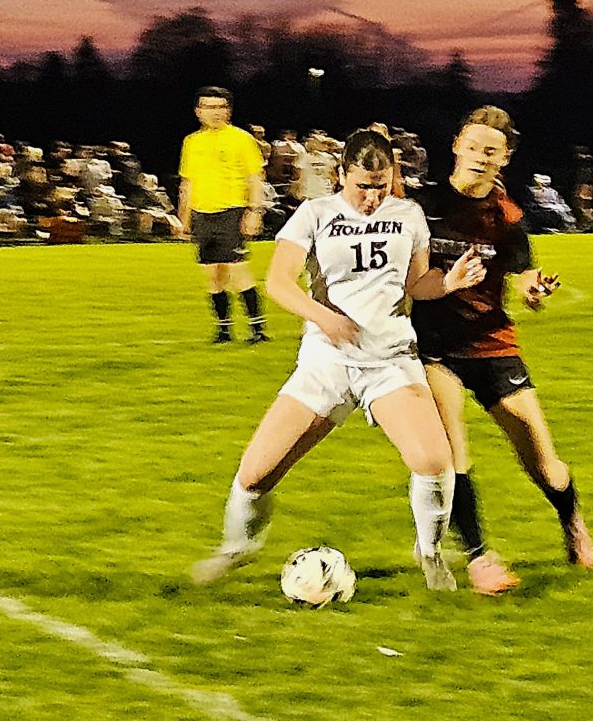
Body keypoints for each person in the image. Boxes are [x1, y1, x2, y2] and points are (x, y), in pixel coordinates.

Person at [191, 129, 487, 591]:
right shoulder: (315, 214)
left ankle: (429, 553)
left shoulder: (408, 215)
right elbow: (279, 282)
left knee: (433, 462)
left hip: (389, 361)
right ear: (341, 175)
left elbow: (417, 285)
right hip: (326, 362)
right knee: (254, 474)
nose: (371, 197)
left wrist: (450, 282)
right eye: (362, 186)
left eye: (381, 185)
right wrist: (322, 318)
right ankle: (236, 548)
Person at [411, 106, 593, 596]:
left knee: (542, 458)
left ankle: (572, 519)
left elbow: (524, 276)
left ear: (504, 159)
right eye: (472, 146)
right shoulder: (422, 204)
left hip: (492, 342)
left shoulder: (507, 216)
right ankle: (479, 556)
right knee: (453, 450)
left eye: (490, 151)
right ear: (456, 146)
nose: (478, 157)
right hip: (433, 347)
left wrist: (536, 291)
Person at [178, 86, 270, 344]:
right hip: (202, 214)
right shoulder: (192, 142)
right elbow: (188, 183)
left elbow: (255, 178)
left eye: (221, 107)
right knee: (213, 276)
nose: (216, 113)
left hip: (232, 211)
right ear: (198, 111)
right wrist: (183, 218)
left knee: (237, 270)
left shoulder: (241, 139)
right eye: (209, 107)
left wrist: (254, 211)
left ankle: (257, 329)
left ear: (228, 111)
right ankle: (223, 329)